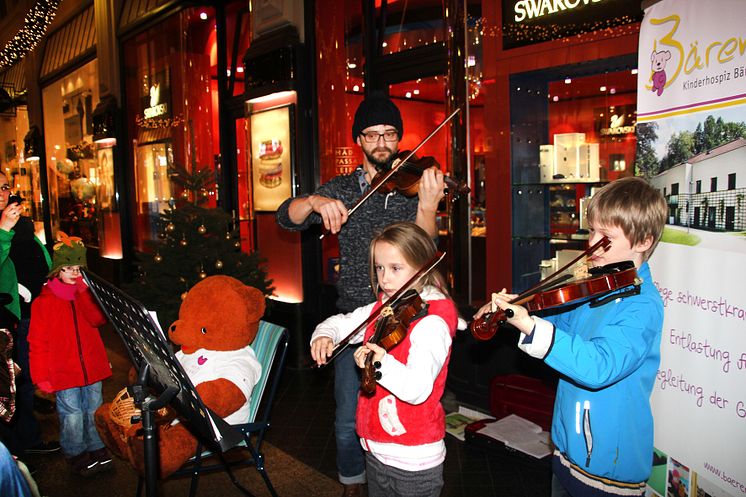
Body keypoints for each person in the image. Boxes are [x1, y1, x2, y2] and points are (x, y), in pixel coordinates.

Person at [277, 95, 445, 497]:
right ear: (359, 140)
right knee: (346, 418)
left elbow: (426, 250)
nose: (382, 143)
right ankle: (352, 484)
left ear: (399, 138)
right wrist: (316, 201)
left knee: (400, 408)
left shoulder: (412, 185)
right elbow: (287, 216)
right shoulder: (341, 188)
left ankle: (396, 478)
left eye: (390, 134)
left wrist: (427, 206)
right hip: (354, 317)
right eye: (373, 135)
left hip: (404, 315)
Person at [476, 176, 668, 497]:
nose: (592, 244)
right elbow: (557, 327)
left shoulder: (643, 305)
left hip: (608, 471)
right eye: (591, 230)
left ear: (644, 240)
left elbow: (598, 366)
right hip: (566, 455)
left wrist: (531, 326)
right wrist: (510, 312)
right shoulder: (598, 287)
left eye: (605, 236)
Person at [311, 222, 458, 497]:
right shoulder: (385, 306)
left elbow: (417, 389)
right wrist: (323, 336)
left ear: (422, 267)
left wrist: (381, 364)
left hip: (414, 461)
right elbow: (342, 322)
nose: (384, 279)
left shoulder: (431, 323)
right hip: (376, 450)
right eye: (379, 268)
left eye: (395, 268)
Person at [28, 233, 113, 477]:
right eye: (68, 268)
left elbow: (98, 319)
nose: (74, 273)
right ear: (56, 270)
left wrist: (84, 294)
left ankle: (96, 447)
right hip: (63, 371)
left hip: (91, 367)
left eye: (78, 268)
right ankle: (76, 452)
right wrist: (41, 376)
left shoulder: (83, 294)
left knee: (94, 409)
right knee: (72, 414)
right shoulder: (43, 303)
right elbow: (37, 342)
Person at [0, 172, 59, 458]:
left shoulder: (19, 222)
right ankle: (18, 452)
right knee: (13, 385)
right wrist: (4, 230)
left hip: (32, 309)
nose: (2, 193)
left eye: (4, 186)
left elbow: (38, 254)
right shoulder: (5, 226)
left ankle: (27, 443)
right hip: (9, 316)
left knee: (24, 379)